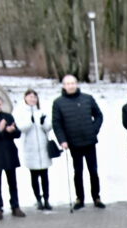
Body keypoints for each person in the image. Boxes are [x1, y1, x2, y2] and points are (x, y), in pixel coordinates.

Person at [52, 75, 105, 210]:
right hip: (73, 143)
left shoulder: (87, 98)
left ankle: (96, 197)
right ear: (64, 86)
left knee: (93, 171)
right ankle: (79, 198)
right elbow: (57, 124)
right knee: (78, 172)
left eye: (73, 83)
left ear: (77, 84)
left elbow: (99, 115)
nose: (71, 86)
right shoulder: (58, 103)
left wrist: (94, 130)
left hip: (89, 141)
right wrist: (62, 140)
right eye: (68, 84)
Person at [18, 89, 54, 211]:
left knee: (45, 176)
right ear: (25, 99)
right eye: (30, 97)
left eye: (34, 97)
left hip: (43, 148)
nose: (32, 99)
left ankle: (47, 199)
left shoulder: (42, 111)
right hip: (31, 148)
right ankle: (38, 199)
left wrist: (44, 123)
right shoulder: (21, 112)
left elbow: (48, 127)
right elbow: (21, 128)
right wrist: (30, 122)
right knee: (34, 176)